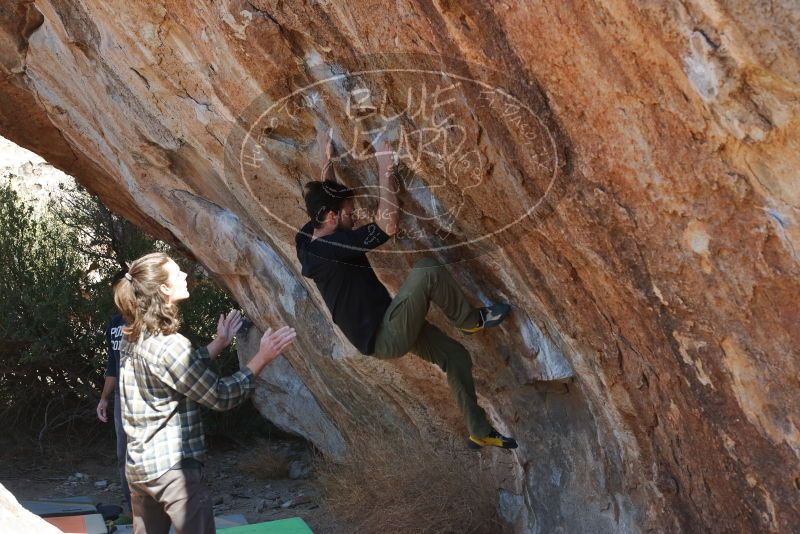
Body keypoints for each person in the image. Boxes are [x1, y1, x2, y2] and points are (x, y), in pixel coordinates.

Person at [295, 135, 517, 450]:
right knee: (426, 270)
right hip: (385, 334)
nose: (354, 216)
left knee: (456, 357)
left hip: (384, 323)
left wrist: (327, 161)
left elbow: (325, 200)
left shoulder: (307, 238)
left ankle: (479, 430)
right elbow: (387, 225)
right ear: (331, 218)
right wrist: (385, 162)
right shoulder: (333, 247)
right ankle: (469, 319)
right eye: (348, 213)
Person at [114, 252, 296, 533]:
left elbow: (173, 372)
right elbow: (220, 396)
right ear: (163, 288)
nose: (185, 275)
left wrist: (220, 343)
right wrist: (262, 357)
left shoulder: (135, 336)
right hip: (173, 474)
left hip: (140, 470)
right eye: (177, 273)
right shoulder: (169, 344)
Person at [95, 305, 130, 512]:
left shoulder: (146, 319)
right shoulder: (115, 324)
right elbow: (112, 363)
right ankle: (132, 508)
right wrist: (104, 398)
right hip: (121, 397)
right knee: (123, 454)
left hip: (145, 395)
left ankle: (157, 509)